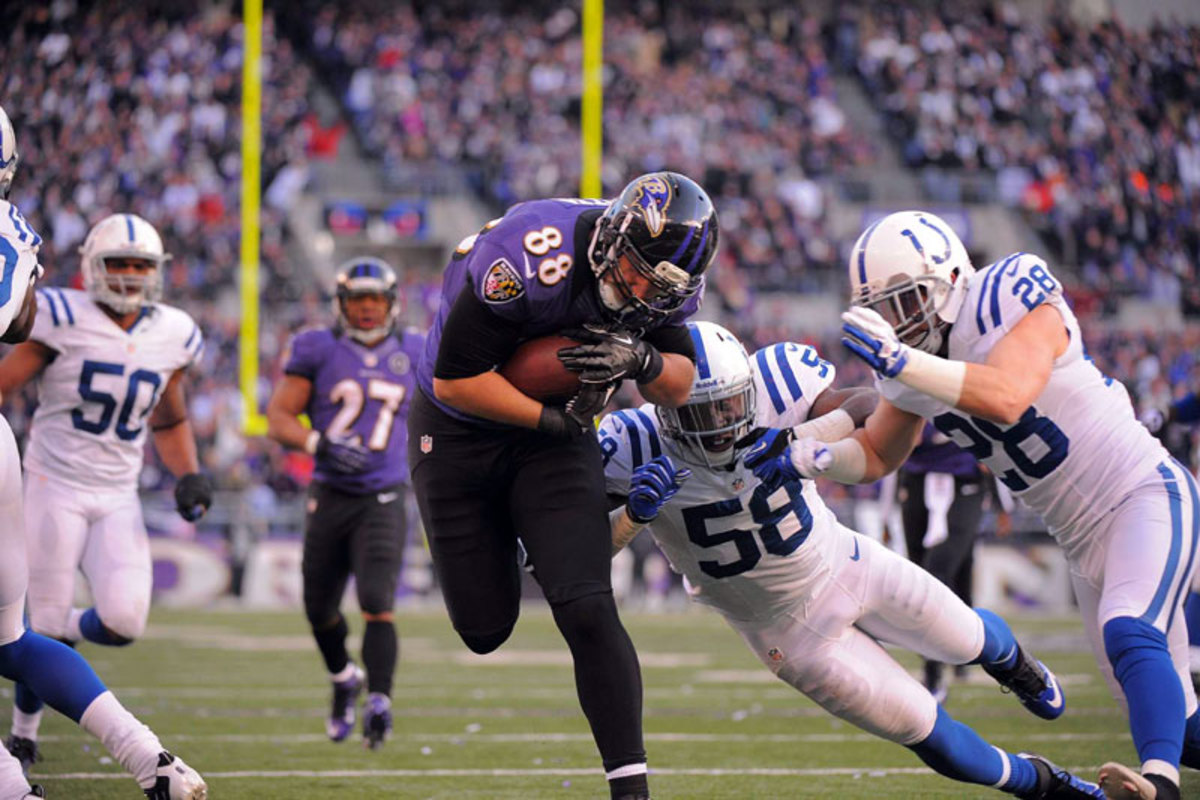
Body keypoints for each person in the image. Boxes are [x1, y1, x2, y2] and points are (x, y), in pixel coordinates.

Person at [750, 210, 1200, 800]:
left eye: (904, 301)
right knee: (1177, 723)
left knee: (1129, 631)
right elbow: (880, 454)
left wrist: (900, 363)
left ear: (947, 280)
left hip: (1143, 491)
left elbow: (1009, 396)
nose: (895, 322)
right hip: (1080, 537)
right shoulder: (910, 368)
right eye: (882, 309)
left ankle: (1161, 790)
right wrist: (815, 459)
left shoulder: (1008, 290)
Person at [600, 320, 1101, 800]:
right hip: (787, 634)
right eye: (699, 414)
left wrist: (803, 436)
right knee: (925, 728)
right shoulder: (631, 446)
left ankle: (1013, 665)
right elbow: (574, 559)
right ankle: (1040, 783)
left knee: (969, 634)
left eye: (729, 406)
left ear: (750, 389)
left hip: (846, 563)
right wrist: (631, 516)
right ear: (664, 410)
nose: (719, 427)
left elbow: (867, 407)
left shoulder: (778, 383)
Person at [407, 171, 719, 800]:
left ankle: (630, 790)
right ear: (613, 234)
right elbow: (457, 382)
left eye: (655, 286)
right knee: (484, 629)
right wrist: (556, 418)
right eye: (635, 269)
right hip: (458, 426)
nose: (636, 289)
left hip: (556, 433)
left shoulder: (660, 286)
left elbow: (681, 383)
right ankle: (517, 539)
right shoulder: (529, 255)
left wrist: (643, 360)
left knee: (585, 603)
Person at [0, 102, 205, 799]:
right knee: (39, 625)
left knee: (120, 618)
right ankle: (22, 737)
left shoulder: (174, 330)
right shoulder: (59, 312)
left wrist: (189, 473)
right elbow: (4, 379)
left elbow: (171, 412)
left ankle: (55, 667)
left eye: (137, 264)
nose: (126, 273)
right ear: (91, 265)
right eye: (115, 262)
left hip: (117, 489)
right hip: (51, 480)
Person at [266, 257, 424, 749]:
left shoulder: (417, 351)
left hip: (384, 495)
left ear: (392, 304)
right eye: (358, 300)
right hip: (331, 492)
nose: (368, 309)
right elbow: (278, 418)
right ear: (341, 305)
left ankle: (380, 699)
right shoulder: (317, 347)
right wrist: (319, 444)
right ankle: (343, 679)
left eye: (376, 299)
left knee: (378, 601)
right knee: (319, 608)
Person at [896, 422, 996, 702]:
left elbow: (997, 425)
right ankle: (960, 652)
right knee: (926, 571)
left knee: (940, 568)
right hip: (916, 481)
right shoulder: (906, 384)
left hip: (966, 482)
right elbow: (895, 436)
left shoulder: (969, 383)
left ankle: (934, 668)